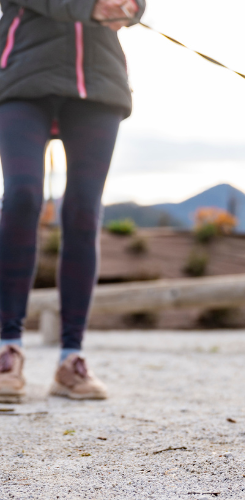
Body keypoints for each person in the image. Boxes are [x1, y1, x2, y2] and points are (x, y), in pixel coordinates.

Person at [0, 0, 145, 402]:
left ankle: (71, 359)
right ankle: (7, 348)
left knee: (84, 210)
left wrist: (130, 7)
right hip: (23, 75)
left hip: (99, 84)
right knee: (22, 197)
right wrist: (91, 6)